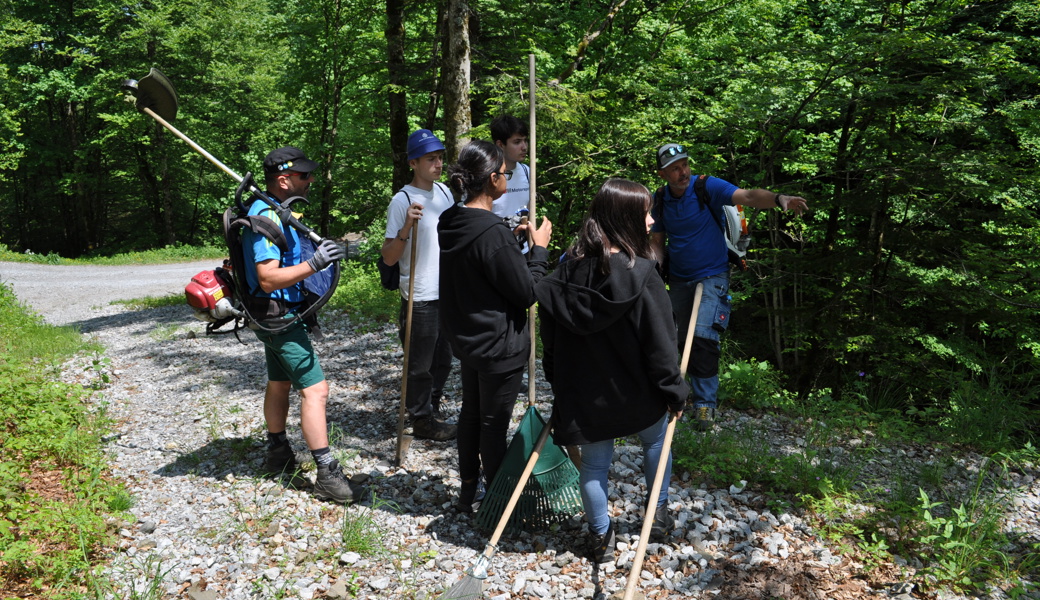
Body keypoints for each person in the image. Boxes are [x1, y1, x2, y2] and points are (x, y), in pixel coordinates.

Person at [536, 178, 689, 563]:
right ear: (625, 220)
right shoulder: (643, 274)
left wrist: (561, 390)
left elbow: (549, 344)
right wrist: (675, 392)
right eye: (645, 214)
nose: (652, 221)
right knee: (657, 441)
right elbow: (661, 344)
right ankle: (657, 513)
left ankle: (600, 538)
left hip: (585, 397)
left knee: (595, 465)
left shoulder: (562, 276)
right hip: (637, 396)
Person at [650, 143, 808, 431]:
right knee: (673, 339)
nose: (682, 171)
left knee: (704, 336)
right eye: (674, 168)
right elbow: (657, 243)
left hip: (713, 274)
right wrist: (653, 272)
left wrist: (778, 198)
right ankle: (672, 399)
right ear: (662, 174)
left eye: (684, 164)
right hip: (680, 279)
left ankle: (704, 407)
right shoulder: (659, 200)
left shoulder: (706, 186)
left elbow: (746, 196)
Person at [438, 140, 552, 512]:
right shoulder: (492, 234)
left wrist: (511, 242)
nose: (508, 177)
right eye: (505, 173)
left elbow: (484, 266)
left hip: (468, 339)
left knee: (470, 414)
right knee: (492, 424)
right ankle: (501, 503)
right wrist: (538, 251)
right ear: (492, 180)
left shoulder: (450, 222)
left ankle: (468, 492)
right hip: (499, 344)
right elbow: (526, 293)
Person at [245, 146, 362, 504]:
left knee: (279, 383)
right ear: (284, 179)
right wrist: (314, 264)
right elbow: (267, 278)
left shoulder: (279, 211)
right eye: (304, 176)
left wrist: (331, 252)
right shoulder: (265, 217)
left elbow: (293, 257)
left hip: (272, 313)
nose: (310, 181)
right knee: (316, 390)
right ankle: (326, 473)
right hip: (277, 316)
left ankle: (277, 452)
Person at [380, 129, 457, 441]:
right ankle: (421, 419)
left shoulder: (445, 194)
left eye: (439, 158)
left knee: (444, 359)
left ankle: (431, 409)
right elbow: (388, 257)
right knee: (419, 364)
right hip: (420, 295)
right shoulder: (402, 200)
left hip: (447, 291)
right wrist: (406, 226)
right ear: (413, 162)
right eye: (430, 159)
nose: (438, 164)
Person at [489, 115, 532, 251]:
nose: (524, 147)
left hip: (524, 250)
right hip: (496, 250)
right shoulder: (487, 175)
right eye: (517, 142)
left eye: (525, 141)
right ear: (500, 144)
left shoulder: (527, 172)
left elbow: (530, 210)